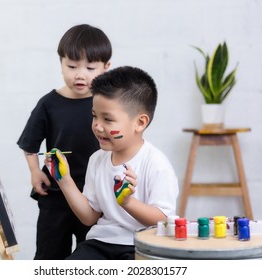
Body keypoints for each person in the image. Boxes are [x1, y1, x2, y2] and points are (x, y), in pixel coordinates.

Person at [47, 66, 179, 260]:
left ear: (140, 123)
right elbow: (89, 217)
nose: (97, 126)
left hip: (139, 247)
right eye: (94, 116)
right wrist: (63, 179)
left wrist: (127, 202)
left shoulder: (156, 164)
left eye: (108, 119)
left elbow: (163, 221)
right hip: (99, 244)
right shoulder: (97, 159)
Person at [17, 24, 112, 260]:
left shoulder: (108, 104)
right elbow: (29, 144)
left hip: (94, 197)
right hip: (55, 195)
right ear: (61, 63)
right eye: (72, 66)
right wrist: (34, 172)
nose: (80, 74)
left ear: (106, 68)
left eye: (90, 68)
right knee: (50, 255)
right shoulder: (49, 103)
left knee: (92, 255)